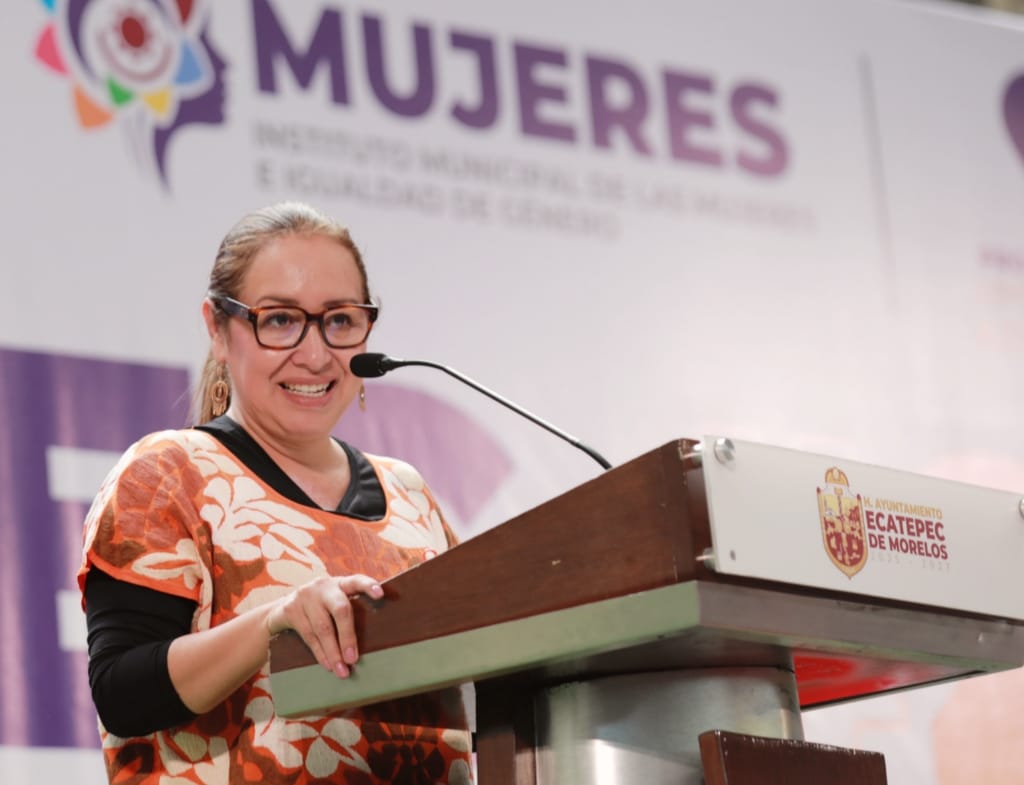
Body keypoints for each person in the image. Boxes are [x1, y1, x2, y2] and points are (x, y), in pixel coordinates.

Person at [78, 201, 473, 784]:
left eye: (339, 320)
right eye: (280, 320)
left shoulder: (410, 494)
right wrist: (272, 624)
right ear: (218, 328)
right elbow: (124, 694)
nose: (315, 354)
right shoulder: (170, 473)